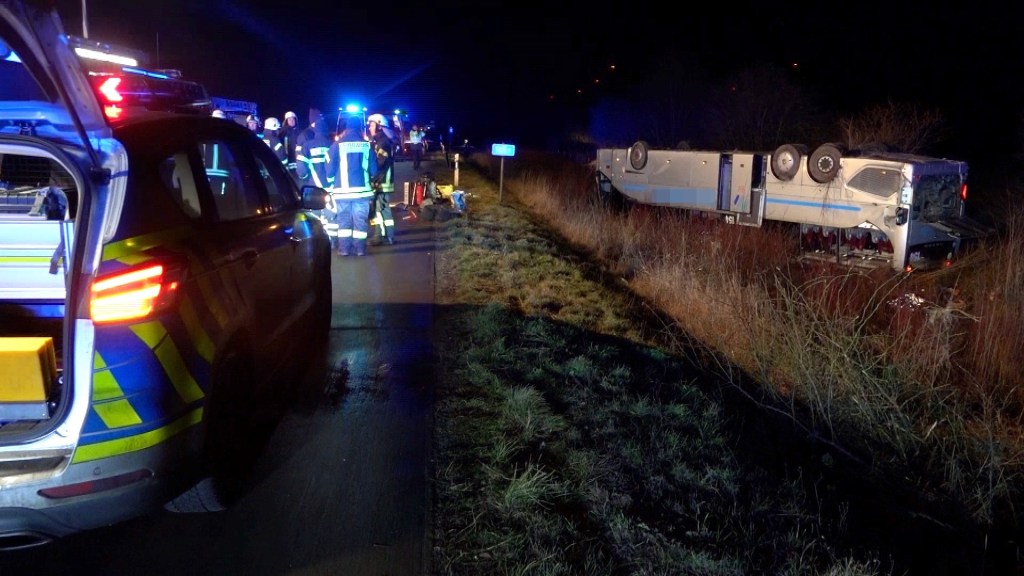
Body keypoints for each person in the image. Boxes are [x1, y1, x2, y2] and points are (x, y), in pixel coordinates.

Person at [326, 116, 374, 256]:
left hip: (342, 192)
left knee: (344, 221)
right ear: (360, 128)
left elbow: (330, 171)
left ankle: (344, 249)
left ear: (346, 128)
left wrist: (330, 181)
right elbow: (374, 170)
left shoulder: (336, 145)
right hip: (362, 192)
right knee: (360, 221)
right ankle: (360, 249)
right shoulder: (367, 145)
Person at [366, 113, 396, 246]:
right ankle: (389, 236)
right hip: (384, 181)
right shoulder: (381, 140)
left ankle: (380, 236)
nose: (370, 128)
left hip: (382, 181)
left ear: (379, 127)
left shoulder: (382, 142)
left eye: (372, 125)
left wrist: (372, 179)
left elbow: (380, 163)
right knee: (383, 208)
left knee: (378, 208)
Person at [294, 108, 330, 189]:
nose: (322, 120)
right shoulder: (304, 135)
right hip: (313, 183)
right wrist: (306, 177)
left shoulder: (314, 135)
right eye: (320, 118)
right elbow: (300, 159)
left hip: (315, 183)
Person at [279, 110, 300, 180]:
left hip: (298, 158)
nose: (291, 121)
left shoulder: (299, 131)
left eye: (293, 119)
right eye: (289, 119)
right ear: (286, 121)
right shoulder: (283, 131)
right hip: (288, 158)